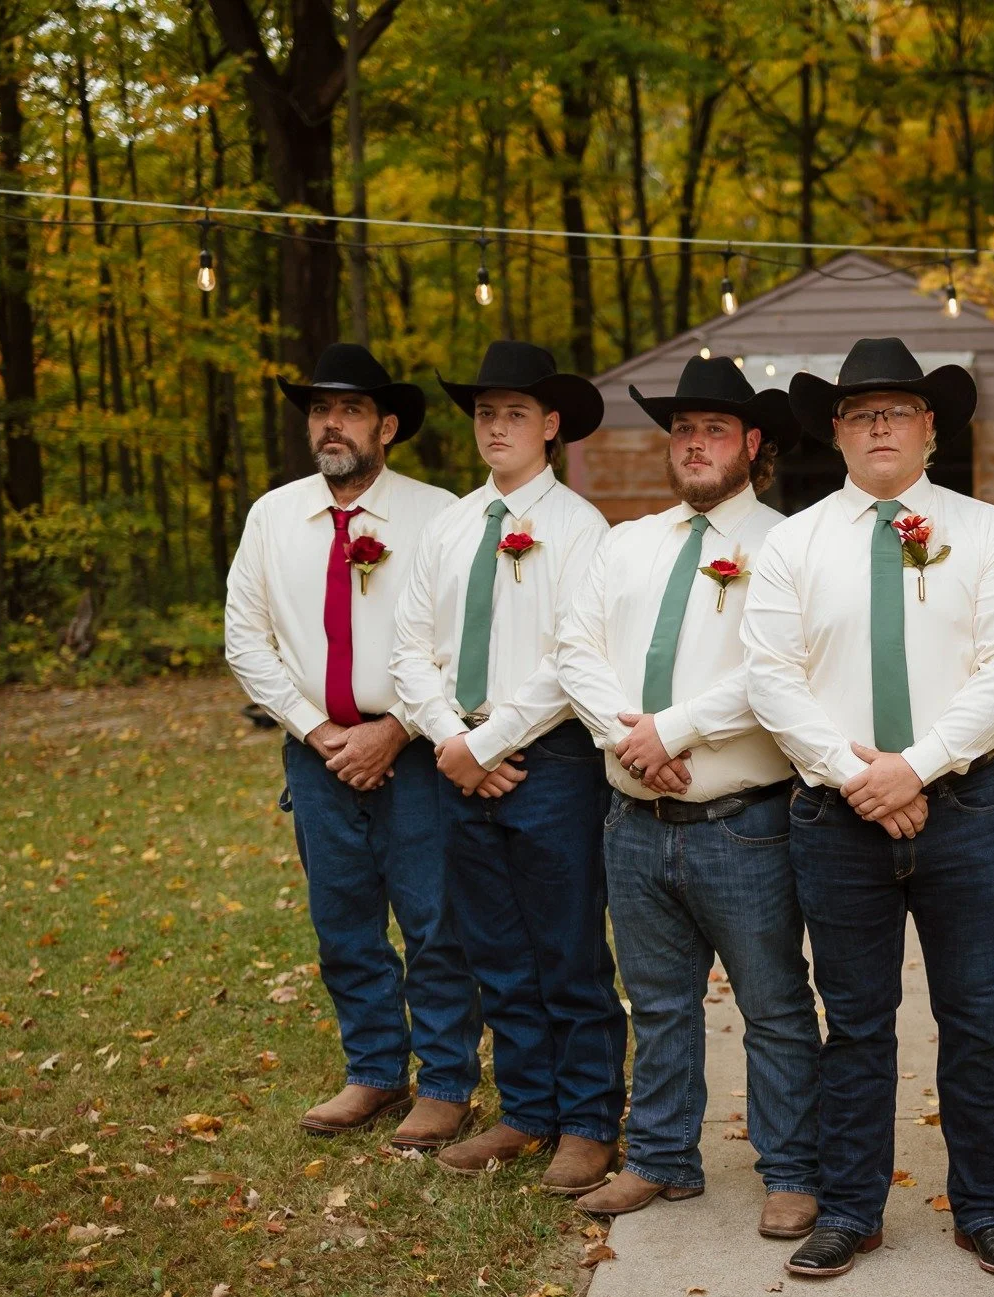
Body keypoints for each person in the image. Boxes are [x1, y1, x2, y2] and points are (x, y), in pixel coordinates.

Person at [743, 338, 994, 1280]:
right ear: (835, 430)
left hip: (966, 812)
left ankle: (988, 1207)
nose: (880, 425)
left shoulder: (988, 533)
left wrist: (912, 767)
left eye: (898, 410)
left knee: (974, 1017)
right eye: (861, 411)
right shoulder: (792, 541)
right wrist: (854, 775)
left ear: (929, 427)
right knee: (858, 1023)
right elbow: (771, 678)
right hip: (837, 819)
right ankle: (850, 1207)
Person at [557, 357, 822, 1239]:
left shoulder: (789, 545)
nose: (694, 443)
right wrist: (626, 735)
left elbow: (777, 671)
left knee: (775, 1005)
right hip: (633, 823)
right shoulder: (626, 542)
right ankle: (662, 1157)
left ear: (752, 444)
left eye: (713, 429)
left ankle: (791, 1169)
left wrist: (675, 732)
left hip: (743, 823)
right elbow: (575, 652)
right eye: (681, 430)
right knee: (659, 1001)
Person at [224, 342, 482, 1150]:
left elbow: (456, 641)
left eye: (351, 410)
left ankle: (443, 1083)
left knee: (435, 920)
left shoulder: (440, 513)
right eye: (320, 410)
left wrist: (395, 727)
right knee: (343, 922)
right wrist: (320, 729)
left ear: (388, 425)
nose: (331, 424)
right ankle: (372, 1071)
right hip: (318, 753)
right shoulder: (272, 516)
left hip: (414, 754)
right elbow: (245, 640)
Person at [388, 340, 627, 1188]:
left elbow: (574, 657)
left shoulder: (582, 529)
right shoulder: (450, 528)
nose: (496, 426)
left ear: (551, 426)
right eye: (486, 413)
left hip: (550, 760)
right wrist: (452, 738)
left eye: (515, 413)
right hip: (454, 756)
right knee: (494, 946)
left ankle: (591, 1119)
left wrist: (485, 745)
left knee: (565, 946)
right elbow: (408, 649)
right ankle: (527, 1109)